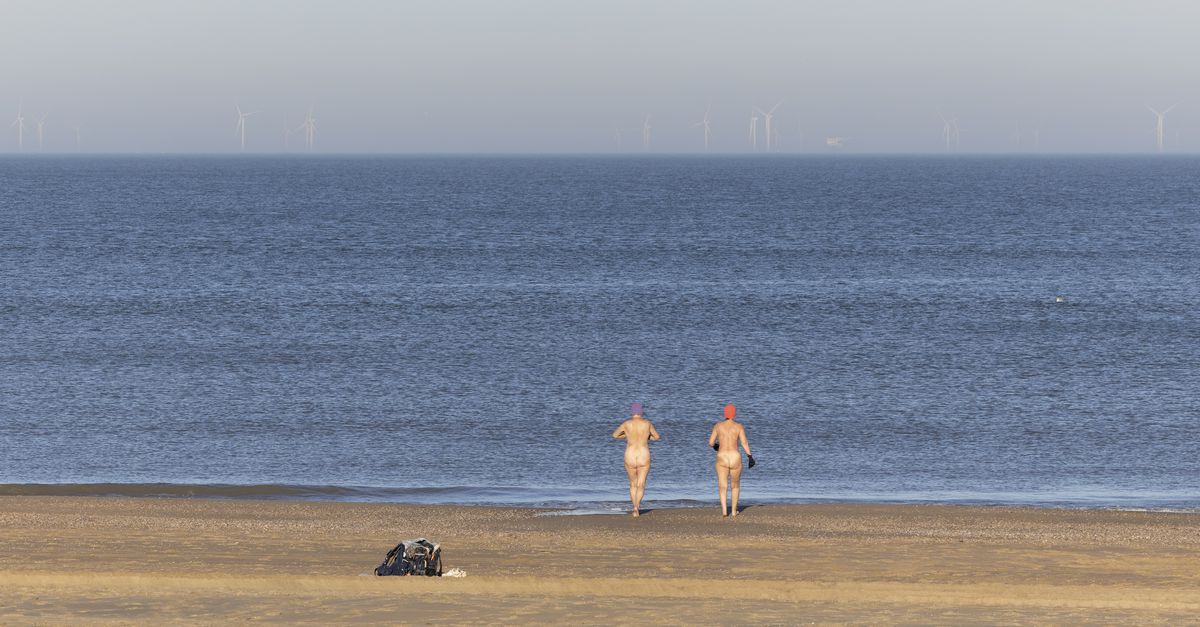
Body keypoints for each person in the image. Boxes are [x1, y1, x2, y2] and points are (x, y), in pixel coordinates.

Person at [612, 402, 661, 517]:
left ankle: (634, 507)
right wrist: (647, 437)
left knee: (632, 484)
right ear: (641, 412)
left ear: (632, 412)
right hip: (644, 454)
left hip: (630, 454)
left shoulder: (626, 424)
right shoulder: (647, 423)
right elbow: (657, 437)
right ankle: (636, 507)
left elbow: (614, 435)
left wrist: (626, 436)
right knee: (641, 484)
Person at [708, 403, 754, 517]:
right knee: (735, 485)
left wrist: (716, 446)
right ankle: (733, 511)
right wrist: (750, 456)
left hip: (722, 456)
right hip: (735, 457)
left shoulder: (718, 426)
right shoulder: (739, 426)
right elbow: (744, 443)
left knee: (722, 485)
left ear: (725, 413)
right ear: (734, 414)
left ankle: (724, 511)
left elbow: (710, 442)